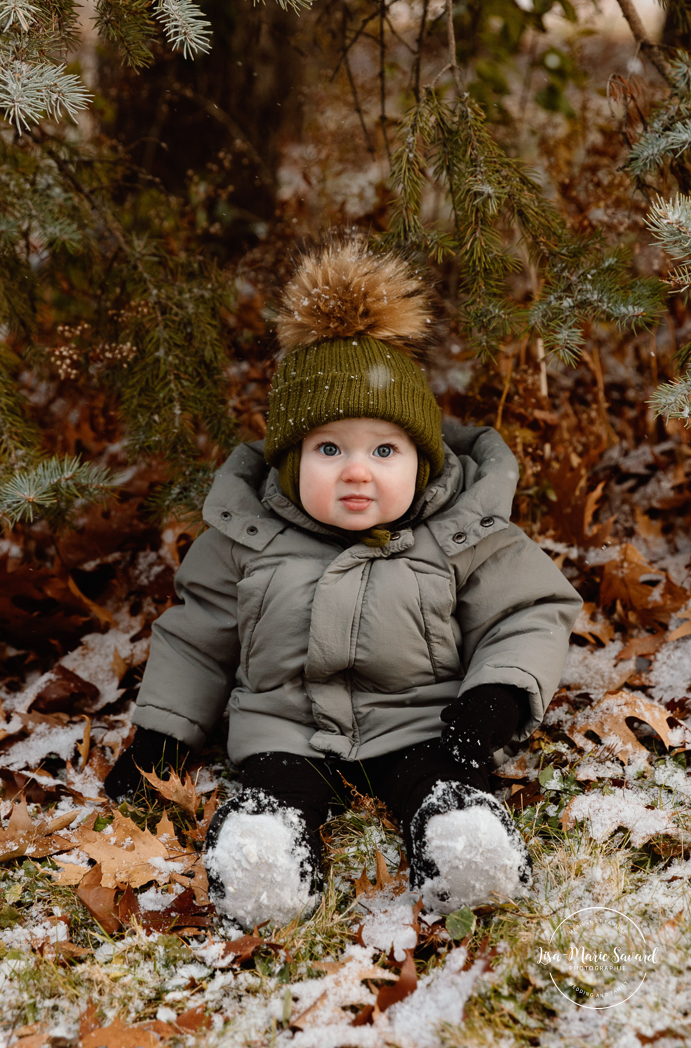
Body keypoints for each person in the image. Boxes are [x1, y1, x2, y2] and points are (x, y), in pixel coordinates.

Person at [104, 237, 582, 931]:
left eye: (383, 450)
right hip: (284, 728)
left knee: (442, 783)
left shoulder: (460, 531)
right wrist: (161, 739)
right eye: (328, 449)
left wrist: (496, 698)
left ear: (420, 461)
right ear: (290, 461)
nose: (356, 471)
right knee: (272, 791)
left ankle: (462, 845)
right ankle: (265, 858)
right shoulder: (245, 538)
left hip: (422, 721)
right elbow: (197, 641)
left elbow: (528, 612)